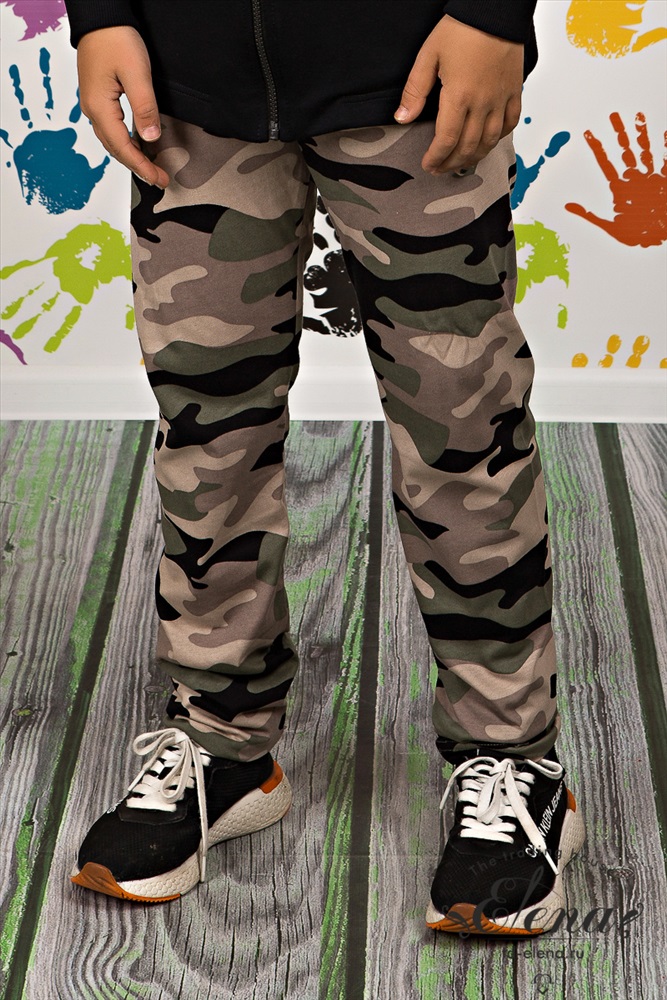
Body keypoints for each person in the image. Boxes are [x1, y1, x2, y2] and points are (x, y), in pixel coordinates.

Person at [63, 0, 585, 935]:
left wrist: (493, 13)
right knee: (206, 426)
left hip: (415, 70)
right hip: (188, 80)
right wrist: (99, 14)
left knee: (460, 425)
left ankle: (512, 757)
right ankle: (221, 739)